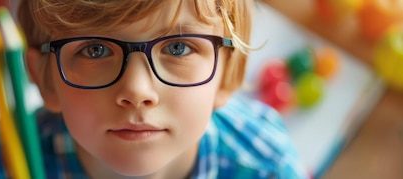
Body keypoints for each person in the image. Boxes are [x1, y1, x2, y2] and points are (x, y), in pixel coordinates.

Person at [17, 0, 308, 178]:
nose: (137, 91)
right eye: (95, 50)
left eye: (177, 47)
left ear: (228, 72)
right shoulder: (2, 163)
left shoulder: (268, 168)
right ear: (44, 78)